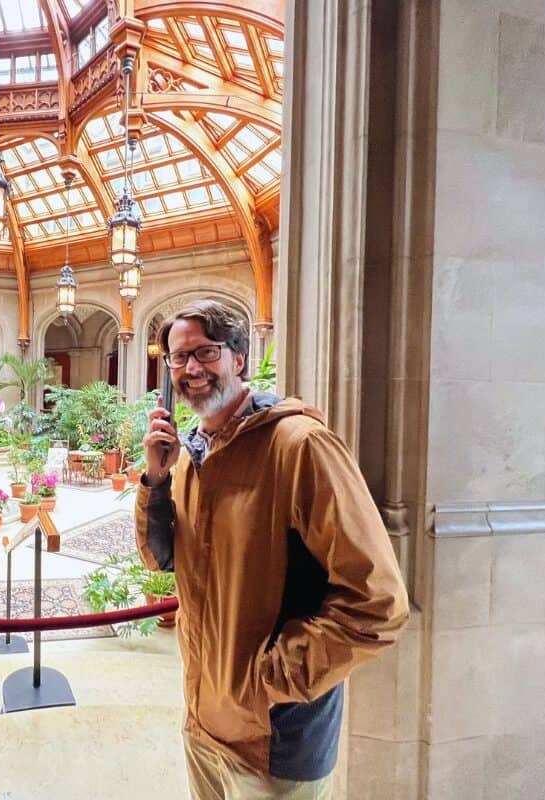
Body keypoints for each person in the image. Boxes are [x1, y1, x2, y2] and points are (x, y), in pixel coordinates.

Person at [136, 300, 409, 800]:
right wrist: (155, 479)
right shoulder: (194, 453)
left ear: (238, 358)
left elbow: (379, 605)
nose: (191, 369)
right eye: (178, 357)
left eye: (205, 352)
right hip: (204, 723)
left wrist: (267, 682)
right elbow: (163, 560)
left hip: (277, 743)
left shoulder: (299, 447)